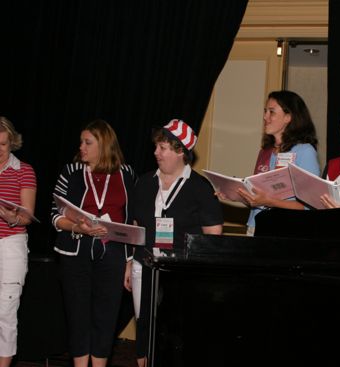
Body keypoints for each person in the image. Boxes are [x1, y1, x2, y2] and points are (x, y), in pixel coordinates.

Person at [130, 119, 223, 367]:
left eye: (163, 148)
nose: (156, 153)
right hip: (145, 265)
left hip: (181, 272)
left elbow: (213, 236)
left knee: (176, 331)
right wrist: (130, 263)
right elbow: (136, 227)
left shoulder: (200, 188)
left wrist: (202, 275)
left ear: (181, 151)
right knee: (145, 326)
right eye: (156, 147)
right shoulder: (144, 182)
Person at [51, 119, 136, 367]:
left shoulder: (126, 173)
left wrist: (130, 262)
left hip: (114, 253)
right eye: (81, 142)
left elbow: (132, 218)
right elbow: (54, 214)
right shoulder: (71, 172)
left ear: (104, 145)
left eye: (88, 142)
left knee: (106, 317)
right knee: (77, 316)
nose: (82, 147)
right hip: (75, 250)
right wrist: (78, 226)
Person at [238, 90, 320, 235]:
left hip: (285, 230)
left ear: (288, 117)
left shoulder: (304, 151)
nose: (265, 117)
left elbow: (310, 206)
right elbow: (258, 196)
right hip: (255, 226)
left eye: (271, 112)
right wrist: (236, 193)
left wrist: (269, 201)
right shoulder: (265, 151)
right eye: (265, 111)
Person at [0, 117, 36, 367]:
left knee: (5, 312)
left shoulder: (24, 170)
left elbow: (27, 215)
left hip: (11, 244)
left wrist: (11, 217)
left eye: (2, 144)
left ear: (12, 143)